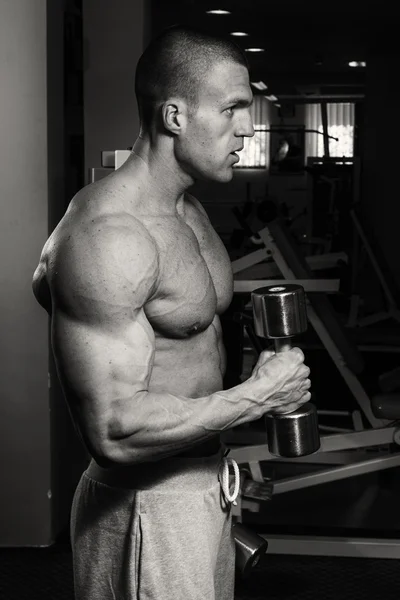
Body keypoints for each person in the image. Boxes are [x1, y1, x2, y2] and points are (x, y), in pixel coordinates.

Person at [32, 25, 311, 600]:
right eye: (232, 108)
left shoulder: (186, 209)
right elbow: (112, 432)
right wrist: (258, 397)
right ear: (175, 117)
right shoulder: (108, 234)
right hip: (146, 505)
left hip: (204, 486)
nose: (247, 127)